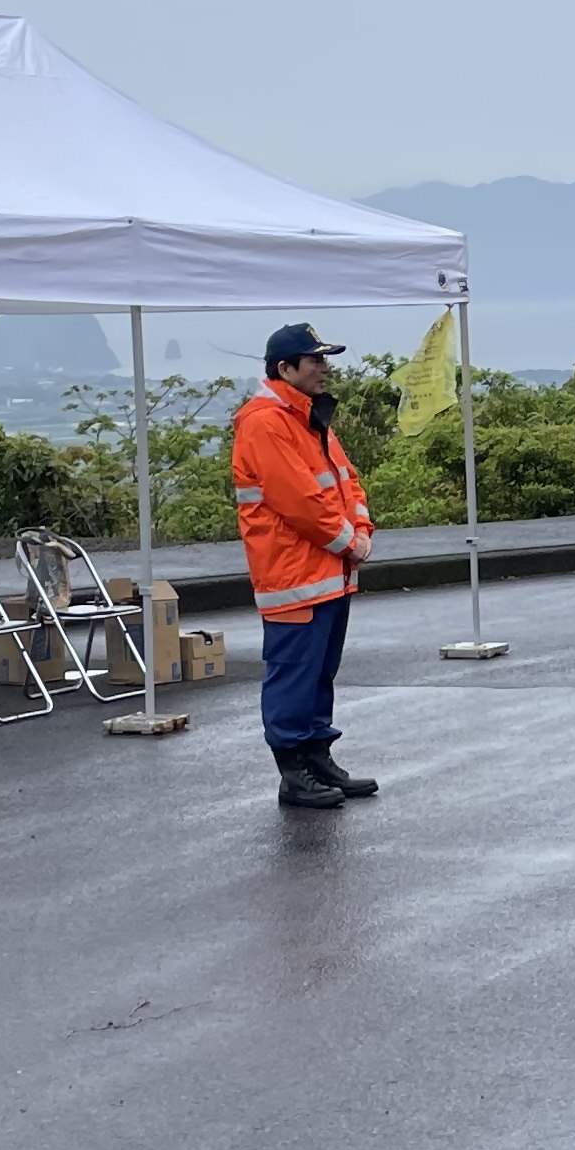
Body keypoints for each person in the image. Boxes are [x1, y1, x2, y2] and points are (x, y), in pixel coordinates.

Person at [229, 322, 378, 811]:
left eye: (324, 359)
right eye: (314, 360)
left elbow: (345, 482)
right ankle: (293, 770)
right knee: (294, 672)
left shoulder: (306, 417)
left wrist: (360, 532)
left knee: (318, 672)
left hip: (328, 572)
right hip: (296, 575)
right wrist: (350, 543)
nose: (324, 367)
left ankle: (317, 758)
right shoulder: (265, 421)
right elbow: (301, 501)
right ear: (284, 368)